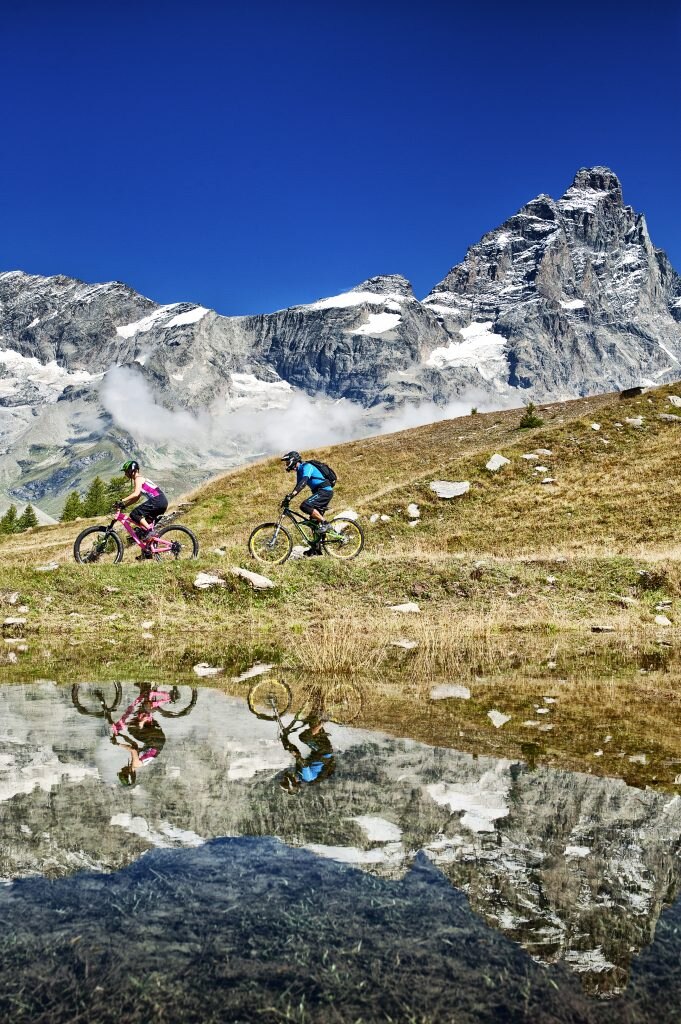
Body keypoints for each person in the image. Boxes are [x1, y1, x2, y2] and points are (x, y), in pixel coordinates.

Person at [110, 686, 170, 786]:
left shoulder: (136, 763)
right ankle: (145, 718)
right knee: (132, 728)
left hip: (158, 741)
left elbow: (133, 745)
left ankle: (148, 694)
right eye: (123, 772)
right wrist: (117, 744)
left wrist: (120, 736)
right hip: (154, 741)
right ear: (129, 773)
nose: (121, 769)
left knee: (137, 726)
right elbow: (133, 750)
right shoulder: (135, 764)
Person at [280, 451, 333, 557]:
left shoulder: (307, 466)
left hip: (324, 491)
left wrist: (292, 495)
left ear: (293, 460)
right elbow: (298, 486)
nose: (286, 464)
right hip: (320, 492)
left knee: (305, 505)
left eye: (287, 462)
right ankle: (316, 550)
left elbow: (303, 482)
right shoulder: (299, 471)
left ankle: (326, 523)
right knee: (314, 523)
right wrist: (289, 497)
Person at [278, 711, 336, 794]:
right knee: (304, 737)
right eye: (285, 781)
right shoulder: (307, 777)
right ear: (292, 783)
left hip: (319, 751)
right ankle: (324, 721)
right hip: (323, 751)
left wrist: (285, 740)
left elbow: (297, 753)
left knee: (313, 719)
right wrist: (297, 756)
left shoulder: (298, 773)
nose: (284, 778)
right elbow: (304, 764)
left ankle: (328, 705)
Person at [117, 460, 168, 548]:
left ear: (132, 471)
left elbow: (136, 494)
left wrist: (122, 500)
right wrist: (125, 505)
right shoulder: (140, 479)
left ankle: (150, 532)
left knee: (134, 514)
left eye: (126, 472)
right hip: (161, 501)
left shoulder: (138, 479)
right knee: (144, 529)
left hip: (158, 500)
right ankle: (148, 550)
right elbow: (137, 498)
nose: (125, 474)